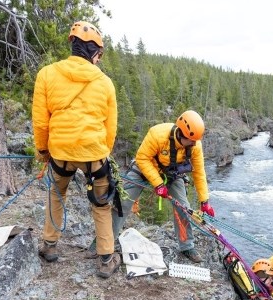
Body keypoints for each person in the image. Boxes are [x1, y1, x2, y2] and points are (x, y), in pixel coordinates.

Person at [32, 20, 121, 278]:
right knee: (101, 204)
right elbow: (110, 128)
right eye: (99, 55)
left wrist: (43, 151)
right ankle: (106, 259)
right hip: (94, 153)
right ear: (94, 52)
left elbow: (40, 121)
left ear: (73, 46)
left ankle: (49, 245)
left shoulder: (47, 74)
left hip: (60, 152)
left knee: (56, 193)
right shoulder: (105, 83)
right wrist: (103, 152)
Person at [106, 110, 214, 263]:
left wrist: (205, 201)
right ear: (181, 133)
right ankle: (105, 241)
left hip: (171, 175)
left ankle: (187, 246)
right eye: (191, 140)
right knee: (122, 201)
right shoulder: (157, 134)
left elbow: (199, 173)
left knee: (183, 207)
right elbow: (142, 158)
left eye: (195, 141)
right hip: (144, 170)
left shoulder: (195, 145)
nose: (194, 144)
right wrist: (157, 183)